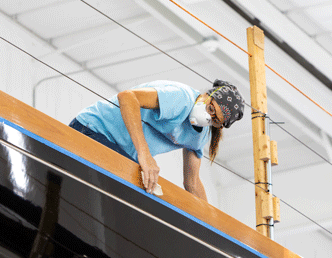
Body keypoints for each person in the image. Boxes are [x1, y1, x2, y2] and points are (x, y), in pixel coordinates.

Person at [69, 79, 245, 202]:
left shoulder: (200, 136)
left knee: (141, 190)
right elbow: (128, 97)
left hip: (121, 155)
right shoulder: (181, 98)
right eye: (211, 109)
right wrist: (144, 154)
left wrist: (211, 221)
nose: (208, 116)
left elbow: (192, 183)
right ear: (208, 95)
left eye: (215, 120)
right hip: (92, 130)